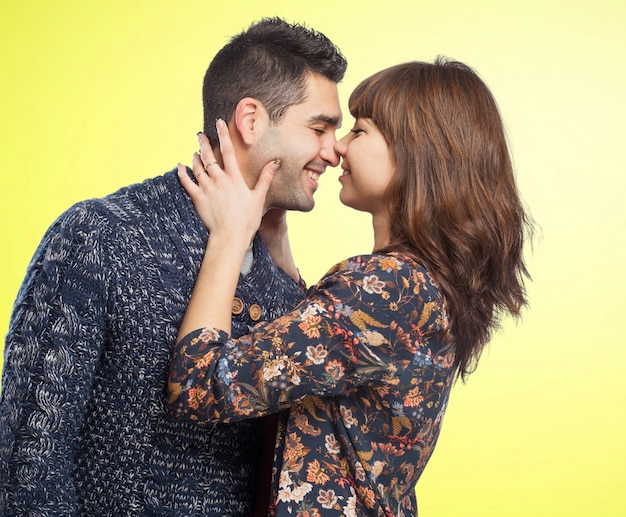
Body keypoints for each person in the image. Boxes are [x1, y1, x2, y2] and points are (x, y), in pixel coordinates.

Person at [0, 18, 346, 515]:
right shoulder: (102, 236)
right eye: (319, 128)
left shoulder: (284, 284)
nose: (333, 152)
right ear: (251, 121)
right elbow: (28, 465)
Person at [167, 58, 534, 516]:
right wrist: (278, 246)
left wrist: (228, 236)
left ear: (416, 152)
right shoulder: (418, 284)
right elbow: (330, 366)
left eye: (359, 131)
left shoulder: (384, 287)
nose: (338, 147)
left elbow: (198, 386)